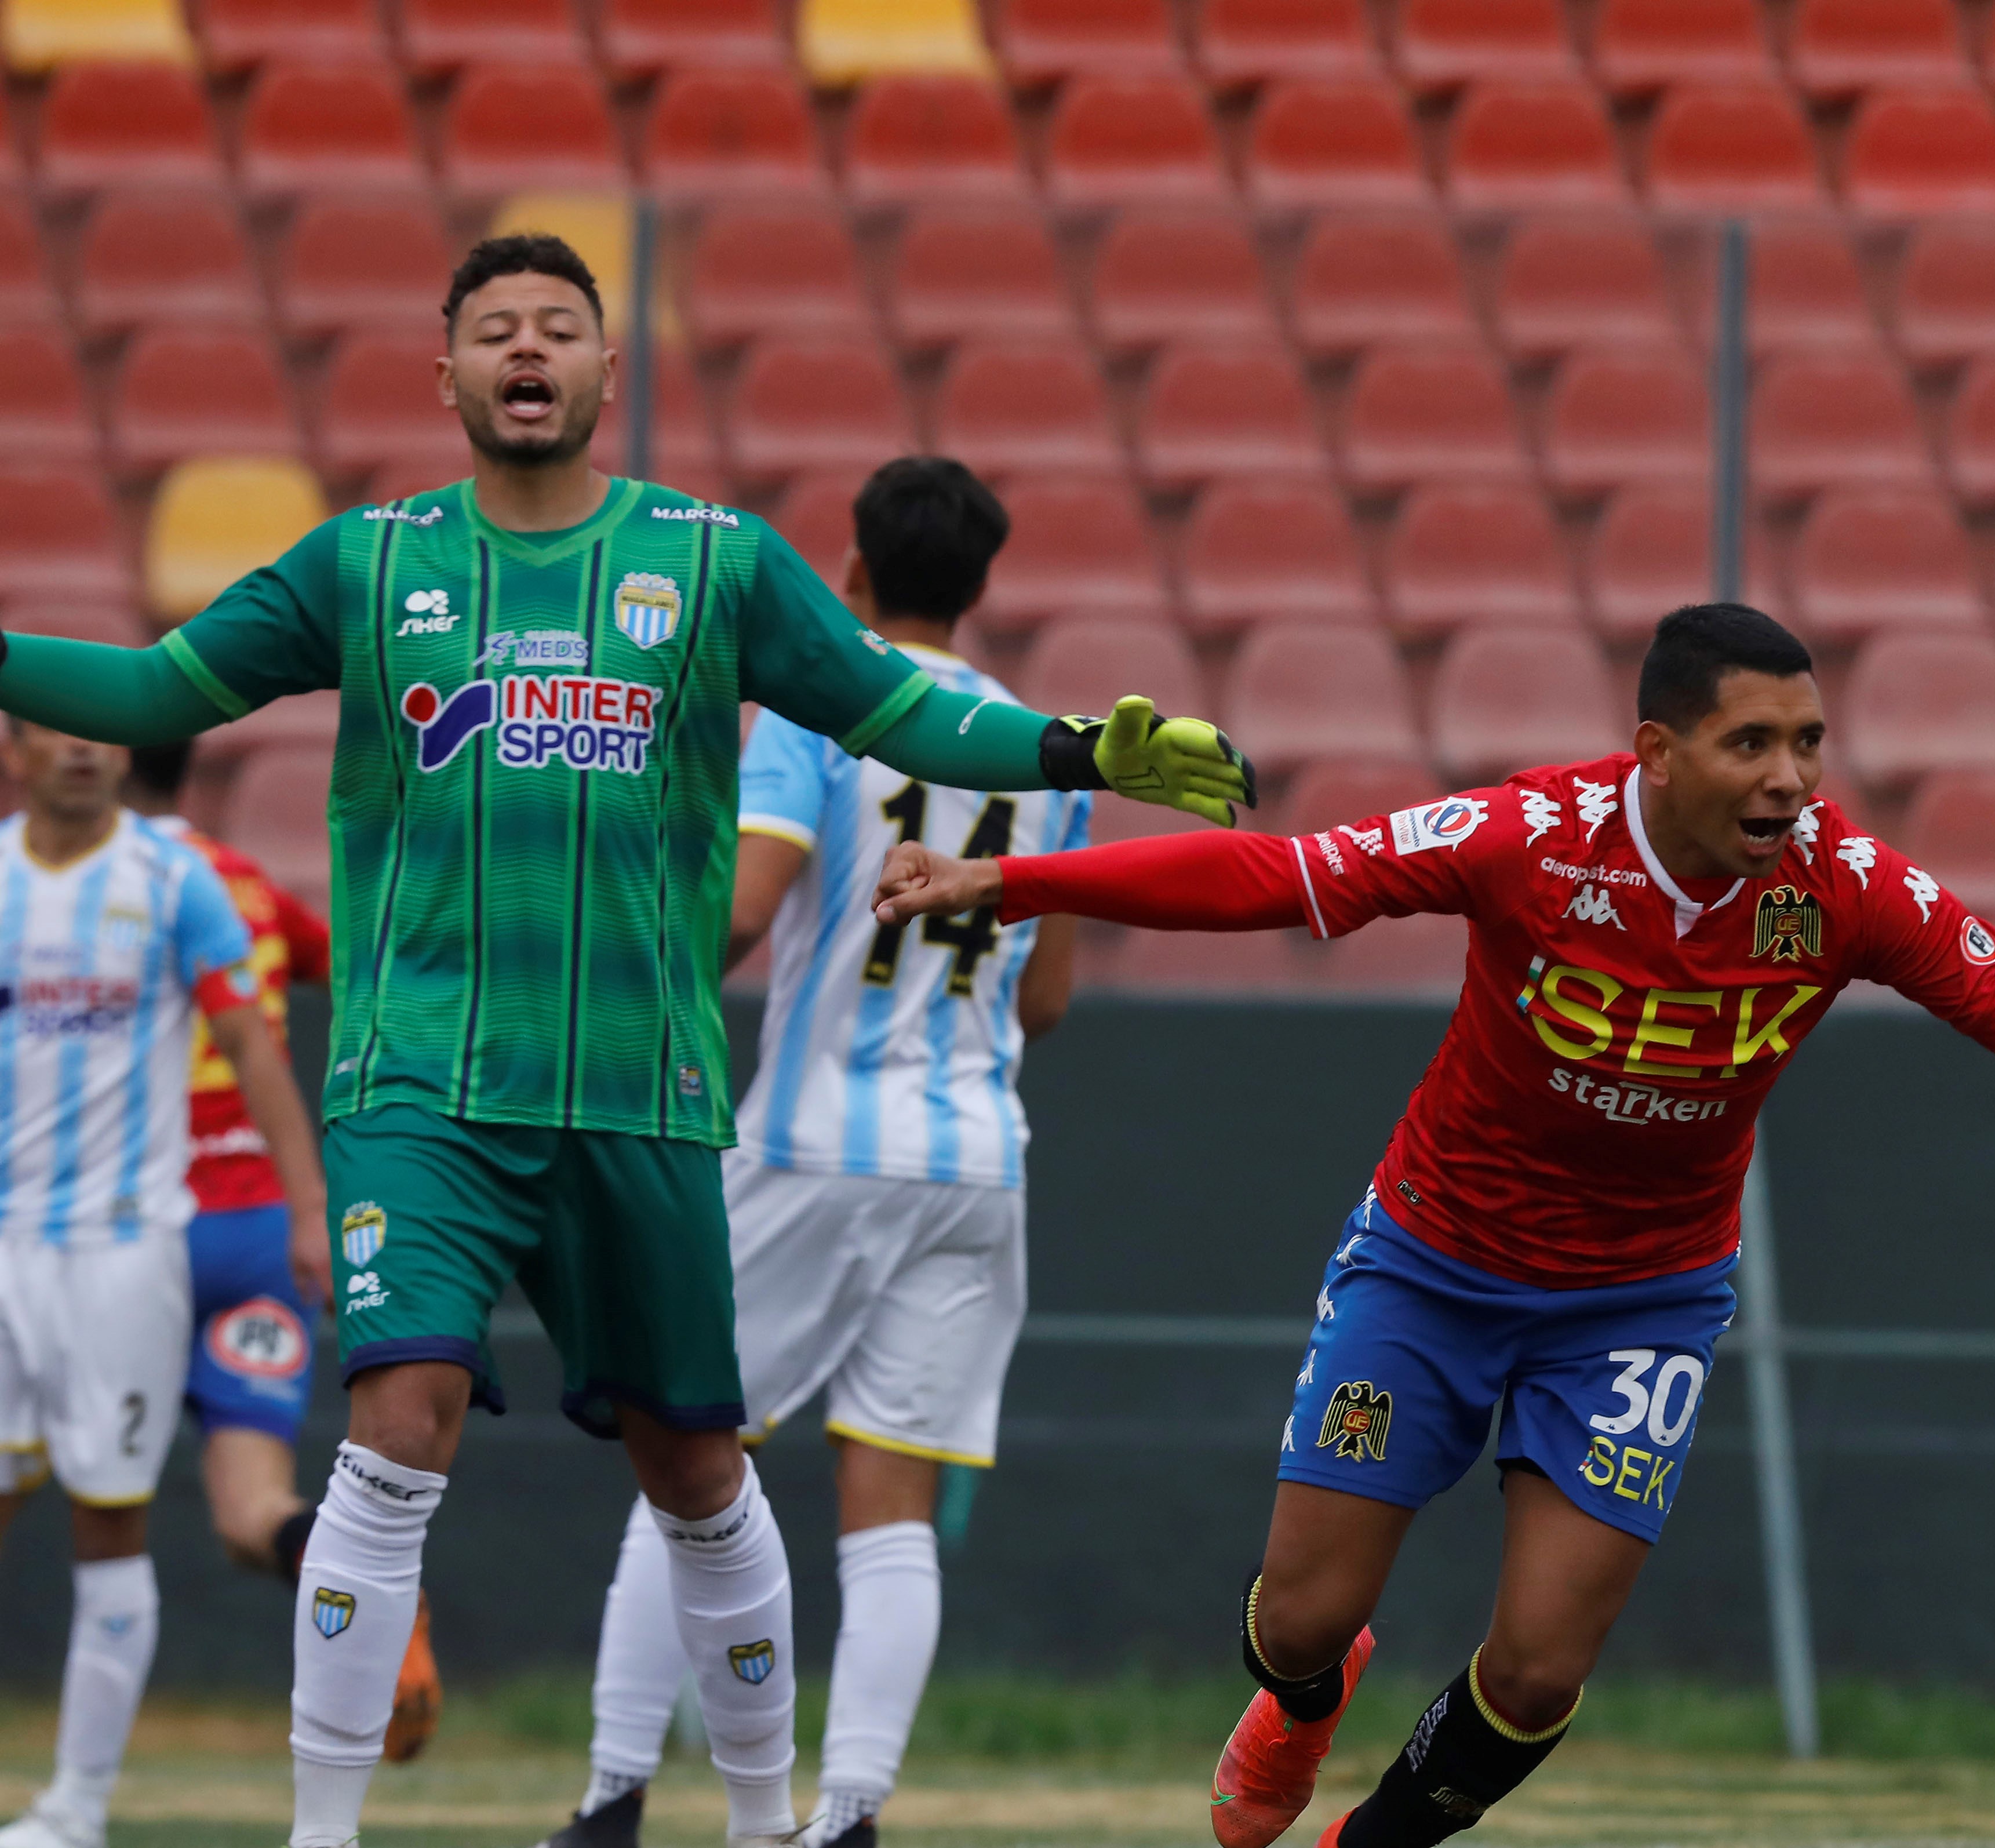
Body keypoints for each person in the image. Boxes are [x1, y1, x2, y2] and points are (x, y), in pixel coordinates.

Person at [0, 234, 1254, 1848]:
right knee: (397, 1418)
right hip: (418, 1085)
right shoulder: (365, 562)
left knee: (697, 1467)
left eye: (561, 329)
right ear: (443, 371)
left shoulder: (713, 562)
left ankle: (756, 1818)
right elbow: (153, 680)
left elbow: (895, 704)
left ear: (605, 373)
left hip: (640, 1094)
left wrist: (1077, 743)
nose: (529, 350)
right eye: (497, 330)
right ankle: (321, 1834)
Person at [871, 602, 1995, 1848]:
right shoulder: (1528, 837)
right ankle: (1298, 1700)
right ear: (1654, 750)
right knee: (1302, 1613)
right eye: (1752, 742)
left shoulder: (1844, 889)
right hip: (1430, 1265)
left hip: (1638, 1304)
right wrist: (1004, 890)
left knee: (1543, 1666)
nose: (1789, 777)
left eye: (1810, 741)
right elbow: (1278, 875)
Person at [553, 458, 1091, 1848]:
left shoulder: (819, 716)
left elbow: (743, 910)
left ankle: (614, 1795)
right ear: (978, 589)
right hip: (975, 1157)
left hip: (808, 1142)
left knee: (686, 1456)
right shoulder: (1041, 745)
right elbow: (1045, 998)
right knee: (893, 1500)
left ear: (847, 572)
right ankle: (846, 1817)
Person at [0, 721, 327, 1848]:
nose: (86, 750)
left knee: (108, 1518)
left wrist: (312, 1208)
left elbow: (252, 1045)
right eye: (59, 728)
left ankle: (76, 1807)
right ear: (12, 745)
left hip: (130, 1252)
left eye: (104, 732)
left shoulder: (175, 879)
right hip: (1, 1247)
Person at [119, 743, 447, 1764]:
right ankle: (380, 1614)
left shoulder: (95, 884)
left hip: (130, 1223)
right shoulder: (248, 884)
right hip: (261, 1228)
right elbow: (354, 975)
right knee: (251, 1511)